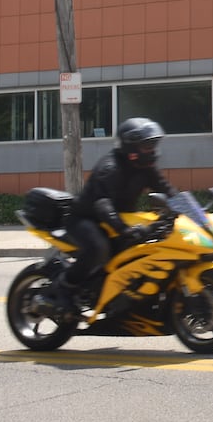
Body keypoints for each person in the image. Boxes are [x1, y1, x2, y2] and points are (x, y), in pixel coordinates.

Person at [45, 117, 177, 316]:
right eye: (147, 145)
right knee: (99, 247)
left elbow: (168, 190)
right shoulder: (111, 167)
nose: (151, 150)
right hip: (86, 219)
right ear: (131, 146)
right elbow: (102, 204)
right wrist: (124, 230)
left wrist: (192, 210)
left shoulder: (145, 168)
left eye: (153, 145)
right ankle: (65, 288)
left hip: (114, 220)